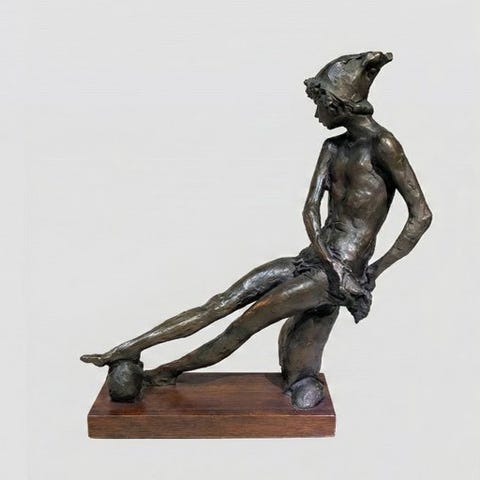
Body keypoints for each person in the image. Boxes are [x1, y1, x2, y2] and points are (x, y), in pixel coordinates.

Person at [81, 51, 432, 409]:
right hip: (317, 260)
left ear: (336, 104)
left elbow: (421, 215)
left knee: (244, 324)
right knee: (220, 303)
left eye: (319, 105)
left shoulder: (384, 145)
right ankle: (126, 349)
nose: (316, 114)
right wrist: (329, 260)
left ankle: (163, 373)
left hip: (338, 275)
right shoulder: (332, 147)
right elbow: (310, 209)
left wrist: (372, 271)